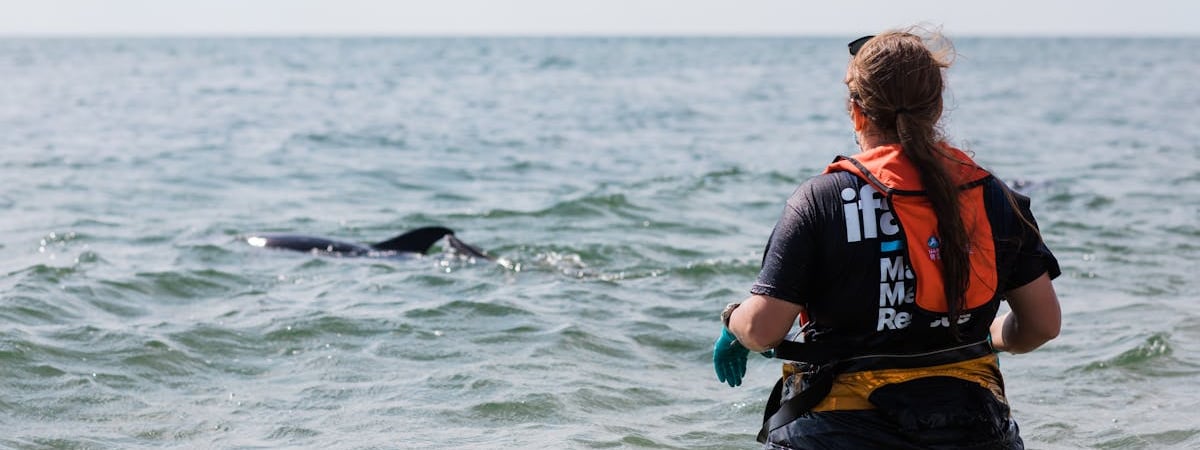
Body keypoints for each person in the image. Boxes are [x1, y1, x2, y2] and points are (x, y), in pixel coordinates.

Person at [711, 29, 1062, 449]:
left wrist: (733, 322)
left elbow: (764, 330)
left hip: (838, 434)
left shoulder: (820, 200)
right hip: (977, 433)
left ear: (857, 112)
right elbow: (1041, 325)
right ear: (935, 109)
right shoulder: (993, 197)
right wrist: (985, 335)